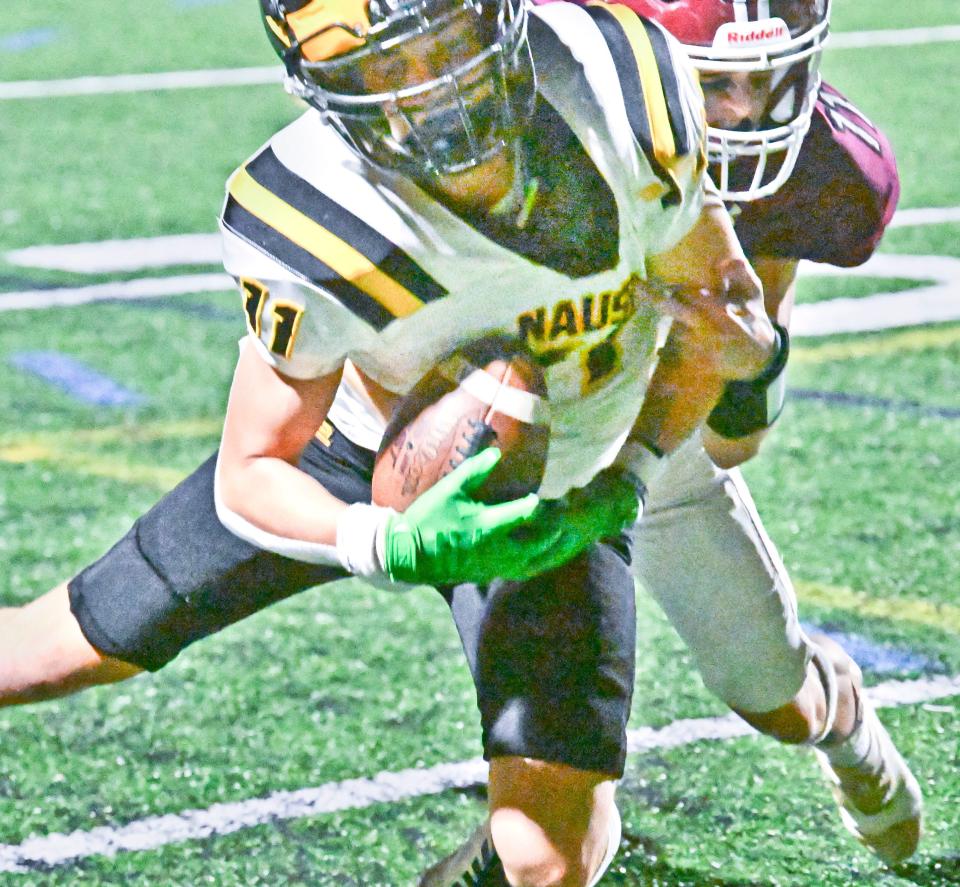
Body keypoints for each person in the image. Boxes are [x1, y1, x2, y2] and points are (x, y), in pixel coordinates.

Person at [0, 0, 778, 885]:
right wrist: (384, 538)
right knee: (45, 654)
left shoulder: (618, 82)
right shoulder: (315, 212)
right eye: (382, 70)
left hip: (554, 489)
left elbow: (719, 309)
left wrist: (633, 470)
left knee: (549, 861)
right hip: (349, 456)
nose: (429, 93)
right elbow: (249, 471)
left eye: (444, 44)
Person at [422, 0, 922, 883]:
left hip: (667, 439)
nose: (742, 112)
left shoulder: (822, 172)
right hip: (526, 427)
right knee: (552, 791)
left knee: (775, 702)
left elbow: (737, 434)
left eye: (765, 81)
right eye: (715, 82)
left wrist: (737, 359)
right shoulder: (529, 102)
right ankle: (532, 831)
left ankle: (837, 710)